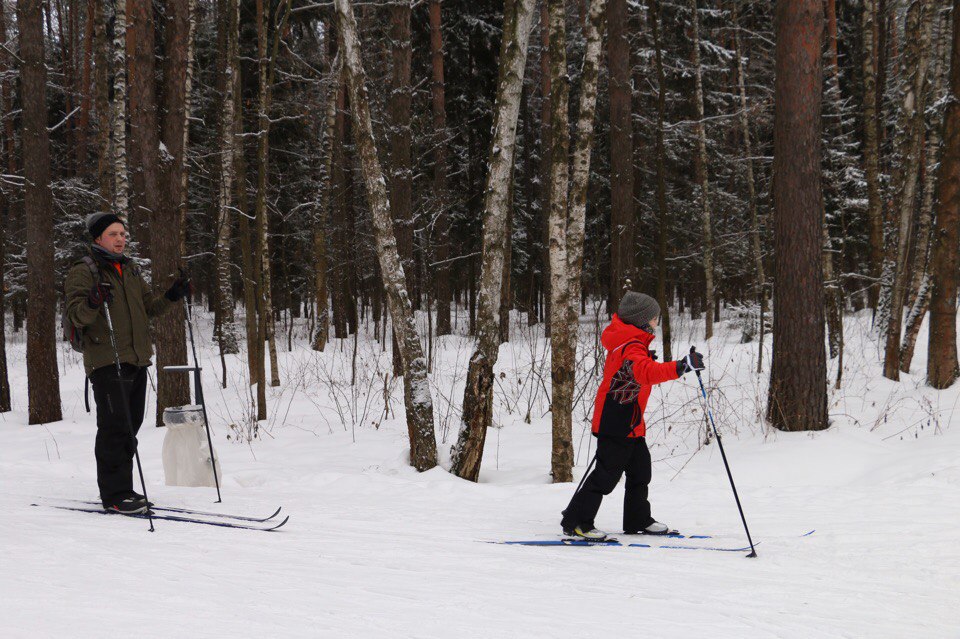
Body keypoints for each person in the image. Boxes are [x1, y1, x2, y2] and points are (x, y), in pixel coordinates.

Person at [64, 212, 191, 515]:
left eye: (122, 234)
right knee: (114, 429)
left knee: (130, 428)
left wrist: (172, 295)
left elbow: (149, 308)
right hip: (107, 360)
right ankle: (114, 495)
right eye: (113, 234)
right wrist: (93, 301)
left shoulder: (130, 269)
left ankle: (125, 489)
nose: (120, 239)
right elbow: (76, 315)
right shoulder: (84, 271)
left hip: (136, 359)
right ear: (98, 238)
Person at [560, 291, 704, 540]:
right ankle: (576, 522)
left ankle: (637, 519)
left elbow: (637, 371)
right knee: (606, 476)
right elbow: (646, 372)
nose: (657, 321)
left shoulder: (633, 343)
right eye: (655, 317)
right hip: (616, 420)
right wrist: (681, 366)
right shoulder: (631, 346)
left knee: (640, 472)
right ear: (643, 320)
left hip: (630, 420)